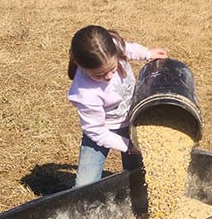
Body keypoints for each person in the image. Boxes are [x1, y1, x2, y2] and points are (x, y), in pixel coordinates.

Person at [67, 25, 167, 187]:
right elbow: (97, 132)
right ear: (81, 67)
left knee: (139, 173)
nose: (108, 76)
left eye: (112, 69)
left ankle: (137, 194)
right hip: (103, 130)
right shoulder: (86, 94)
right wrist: (128, 146)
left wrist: (147, 53)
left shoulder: (112, 45)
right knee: (85, 184)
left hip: (132, 120)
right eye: (99, 74)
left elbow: (128, 49)